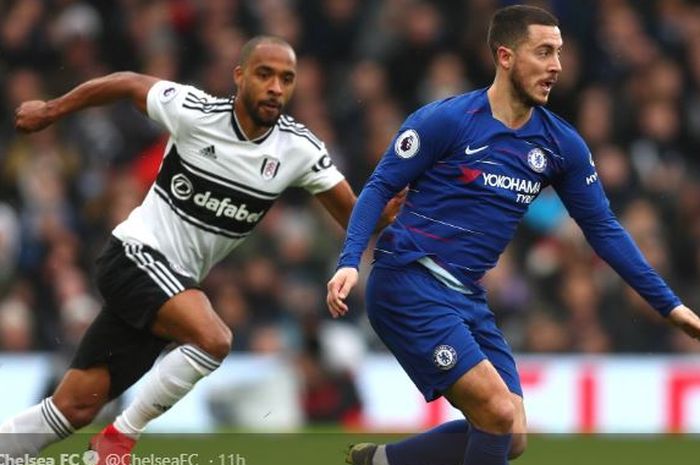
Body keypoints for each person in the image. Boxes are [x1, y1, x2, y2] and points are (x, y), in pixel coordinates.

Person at [327, 5, 700, 465]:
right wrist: (348, 260)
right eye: (543, 52)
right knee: (498, 413)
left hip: (466, 295)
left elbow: (603, 230)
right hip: (408, 282)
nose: (557, 66)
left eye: (559, 53)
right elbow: (380, 185)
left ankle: (379, 462)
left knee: (513, 435)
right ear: (505, 56)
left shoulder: (561, 145)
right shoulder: (447, 120)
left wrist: (671, 305)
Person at [1, 35, 402, 461]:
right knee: (213, 338)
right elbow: (128, 82)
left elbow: (354, 217)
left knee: (75, 407)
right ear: (239, 76)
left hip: (169, 287)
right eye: (265, 74)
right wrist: (51, 109)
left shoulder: (298, 149)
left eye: (287, 79)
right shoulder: (195, 112)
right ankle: (117, 440)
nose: (275, 88)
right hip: (134, 256)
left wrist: (388, 211)